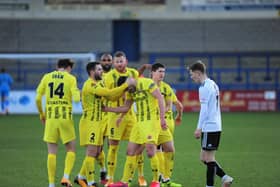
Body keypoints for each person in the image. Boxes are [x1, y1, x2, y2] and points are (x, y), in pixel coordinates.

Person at [74, 62, 136, 187]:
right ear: (92, 71)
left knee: (97, 152)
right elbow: (109, 94)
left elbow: (111, 98)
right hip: (89, 122)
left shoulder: (99, 83)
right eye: (99, 69)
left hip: (98, 122)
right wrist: (125, 84)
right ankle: (90, 182)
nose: (102, 71)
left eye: (102, 69)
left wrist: (125, 89)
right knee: (92, 152)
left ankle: (81, 177)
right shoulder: (90, 84)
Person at [103, 76, 167, 187]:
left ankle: (156, 181)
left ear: (131, 80)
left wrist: (162, 118)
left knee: (150, 151)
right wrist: (107, 109)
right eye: (125, 89)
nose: (128, 91)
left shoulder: (147, 82)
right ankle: (124, 182)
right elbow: (126, 107)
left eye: (128, 87)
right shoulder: (130, 91)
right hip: (139, 123)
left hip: (151, 121)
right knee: (130, 151)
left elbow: (160, 98)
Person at [104, 51, 147, 186]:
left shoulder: (133, 73)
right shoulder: (109, 76)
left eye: (121, 61)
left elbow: (137, 90)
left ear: (126, 61)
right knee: (113, 148)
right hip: (114, 116)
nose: (119, 64)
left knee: (138, 146)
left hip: (130, 116)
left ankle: (141, 176)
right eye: (117, 62)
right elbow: (109, 96)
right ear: (113, 63)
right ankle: (110, 178)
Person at [187, 60, 233, 187]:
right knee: (203, 157)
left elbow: (204, 110)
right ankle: (225, 177)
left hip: (210, 126)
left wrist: (199, 128)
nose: (191, 77)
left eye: (192, 74)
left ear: (198, 73)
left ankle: (210, 185)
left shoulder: (204, 87)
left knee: (209, 158)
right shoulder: (213, 84)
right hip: (215, 125)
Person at [35, 59, 80, 187]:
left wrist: (41, 114)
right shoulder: (71, 79)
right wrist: (77, 93)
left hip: (51, 118)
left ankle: (51, 184)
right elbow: (76, 99)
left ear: (57, 66)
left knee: (51, 152)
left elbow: (38, 98)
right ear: (69, 68)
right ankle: (65, 177)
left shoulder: (47, 77)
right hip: (65, 118)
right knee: (71, 149)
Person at [151, 63, 183, 187]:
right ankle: (158, 179)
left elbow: (170, 105)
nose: (162, 74)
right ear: (153, 72)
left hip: (165, 123)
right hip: (153, 123)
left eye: (163, 72)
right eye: (159, 71)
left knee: (168, 149)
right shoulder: (148, 86)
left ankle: (165, 179)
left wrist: (173, 115)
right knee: (156, 149)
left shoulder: (166, 87)